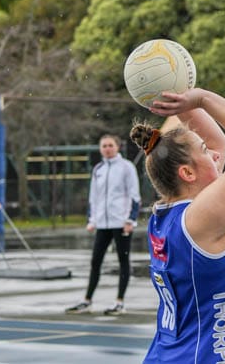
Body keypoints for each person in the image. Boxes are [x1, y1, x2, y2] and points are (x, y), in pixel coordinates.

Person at [129, 87, 225, 363]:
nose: (216, 155)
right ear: (187, 173)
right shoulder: (199, 221)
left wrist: (179, 98)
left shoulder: (168, 217)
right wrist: (202, 98)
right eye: (206, 152)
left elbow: (217, 142)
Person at [66, 134, 141, 316]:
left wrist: (130, 220)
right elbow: (94, 197)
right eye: (104, 146)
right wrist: (92, 220)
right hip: (102, 224)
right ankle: (87, 301)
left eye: (110, 145)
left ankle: (120, 302)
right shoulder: (98, 169)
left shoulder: (126, 167)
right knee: (95, 261)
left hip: (121, 223)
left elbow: (135, 195)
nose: (107, 149)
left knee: (123, 260)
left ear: (117, 147)